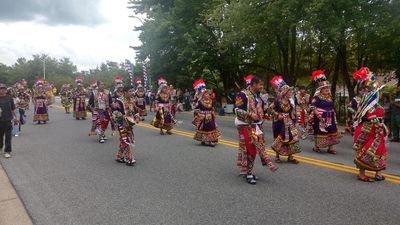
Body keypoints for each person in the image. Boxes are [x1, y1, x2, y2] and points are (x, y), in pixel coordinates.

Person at [234, 75, 277, 185]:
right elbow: (237, 110)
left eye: (262, 84)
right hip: (246, 125)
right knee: (251, 149)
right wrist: (249, 114)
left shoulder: (258, 96)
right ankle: (249, 173)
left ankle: (248, 171)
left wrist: (268, 114)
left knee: (256, 148)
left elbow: (263, 109)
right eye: (260, 84)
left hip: (256, 126)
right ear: (253, 84)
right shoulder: (243, 95)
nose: (262, 87)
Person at [352, 67, 388, 182]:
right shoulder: (368, 104)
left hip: (377, 130)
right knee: (366, 151)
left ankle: (378, 173)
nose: (380, 93)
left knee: (380, 150)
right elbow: (372, 118)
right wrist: (381, 126)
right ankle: (361, 174)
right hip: (368, 130)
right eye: (379, 91)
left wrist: (382, 126)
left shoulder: (376, 104)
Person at [269, 76, 301, 163]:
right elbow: (269, 109)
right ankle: (277, 156)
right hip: (279, 123)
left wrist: (296, 119)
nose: (290, 92)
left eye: (290, 91)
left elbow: (292, 113)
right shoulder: (277, 101)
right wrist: (276, 114)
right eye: (289, 91)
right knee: (279, 138)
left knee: (291, 138)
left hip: (289, 123)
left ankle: (290, 156)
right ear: (284, 93)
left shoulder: (290, 102)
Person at [309, 70, 341, 154]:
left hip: (330, 116)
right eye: (325, 88)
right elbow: (312, 106)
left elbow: (331, 106)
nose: (327, 89)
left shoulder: (329, 97)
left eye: (327, 88)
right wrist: (318, 115)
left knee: (331, 130)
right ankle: (317, 146)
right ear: (321, 89)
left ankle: (330, 148)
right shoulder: (317, 97)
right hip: (321, 117)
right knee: (320, 131)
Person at [112, 86, 140, 166]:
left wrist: (136, 117)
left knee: (124, 139)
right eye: (130, 91)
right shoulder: (119, 101)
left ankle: (119, 156)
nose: (132, 93)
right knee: (125, 139)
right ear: (125, 92)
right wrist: (121, 116)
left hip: (129, 123)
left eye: (132, 91)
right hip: (121, 123)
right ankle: (129, 158)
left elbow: (135, 110)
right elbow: (114, 112)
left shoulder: (132, 100)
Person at [192, 80, 221, 147]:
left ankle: (211, 141)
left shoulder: (211, 101)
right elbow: (195, 109)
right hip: (203, 117)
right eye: (205, 94)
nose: (207, 95)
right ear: (202, 95)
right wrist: (199, 114)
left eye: (208, 94)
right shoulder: (200, 102)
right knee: (204, 128)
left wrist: (213, 113)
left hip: (210, 116)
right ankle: (203, 140)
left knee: (211, 127)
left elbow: (212, 108)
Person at [0, 83, 19, 158]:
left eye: (4, 89)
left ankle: (7, 151)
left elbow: (13, 108)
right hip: (0, 121)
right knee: (0, 136)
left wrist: (16, 117)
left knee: (8, 137)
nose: (3, 90)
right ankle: (0, 147)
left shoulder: (9, 98)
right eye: (1, 89)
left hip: (8, 120)